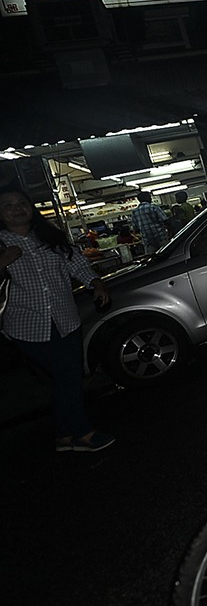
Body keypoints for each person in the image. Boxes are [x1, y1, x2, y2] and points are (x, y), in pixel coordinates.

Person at [0, 187, 114, 452]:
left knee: (67, 377)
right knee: (68, 375)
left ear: (31, 207)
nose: (17, 209)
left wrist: (96, 283)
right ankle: (83, 432)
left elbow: (77, 264)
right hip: (26, 326)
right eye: (8, 205)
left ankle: (64, 436)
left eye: (21, 203)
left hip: (66, 319)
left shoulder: (50, 237)